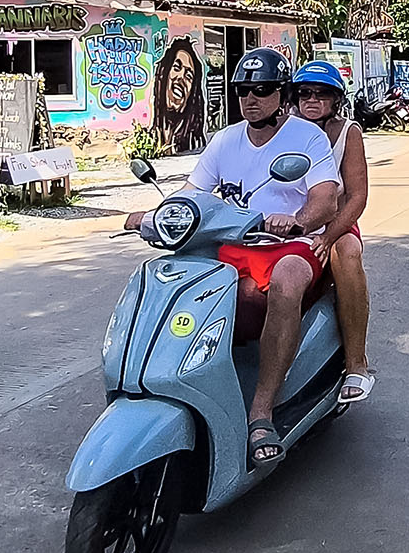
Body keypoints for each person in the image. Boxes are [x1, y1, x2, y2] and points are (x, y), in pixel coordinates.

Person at [129, 47, 338, 467]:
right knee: (170, 277)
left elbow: (325, 198)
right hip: (232, 242)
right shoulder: (224, 140)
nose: (250, 99)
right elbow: (193, 193)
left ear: (282, 94)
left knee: (289, 277)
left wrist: (297, 219)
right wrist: (155, 214)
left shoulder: (307, 137)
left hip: (288, 244)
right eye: (243, 89)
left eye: (261, 90)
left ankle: (261, 411)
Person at [289, 60, 374, 405]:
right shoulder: (284, 129)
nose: (312, 100)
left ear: (336, 99)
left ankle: (356, 363)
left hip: (335, 223)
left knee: (347, 253)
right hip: (289, 220)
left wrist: (328, 236)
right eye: (305, 93)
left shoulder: (347, 132)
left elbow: (357, 196)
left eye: (322, 93)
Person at [151, 37, 206, 153]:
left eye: (189, 76)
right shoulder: (150, 136)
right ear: (164, 73)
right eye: (177, 68)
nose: (181, 77)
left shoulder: (193, 142)